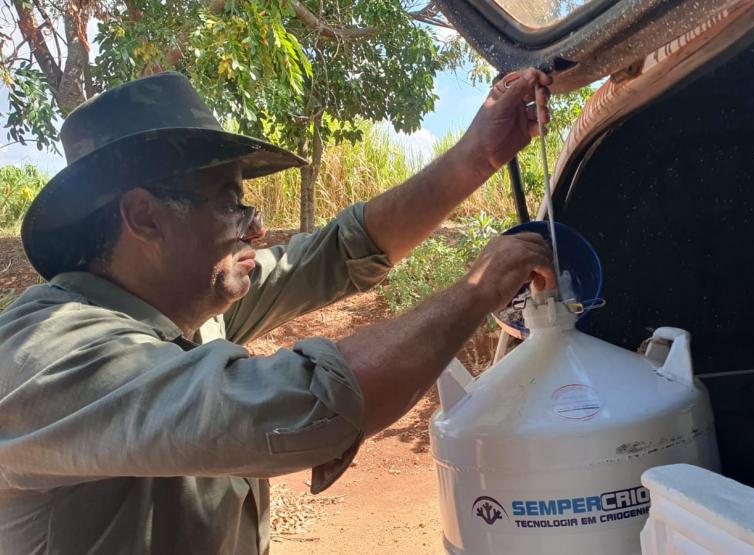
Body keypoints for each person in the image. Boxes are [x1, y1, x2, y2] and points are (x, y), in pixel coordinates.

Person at [0, 70, 556, 554]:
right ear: (145, 217)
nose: (257, 228)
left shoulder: (184, 308)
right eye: (229, 201)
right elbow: (312, 399)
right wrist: (479, 287)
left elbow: (340, 252)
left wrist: (478, 154)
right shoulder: (49, 356)